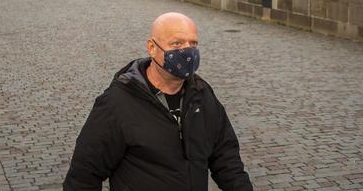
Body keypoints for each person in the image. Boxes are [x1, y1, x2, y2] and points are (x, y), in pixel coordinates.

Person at [64, 12, 253, 191]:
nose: (187, 51)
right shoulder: (117, 103)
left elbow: (226, 159)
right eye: (177, 43)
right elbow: (83, 177)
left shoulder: (202, 94)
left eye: (193, 44)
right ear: (152, 48)